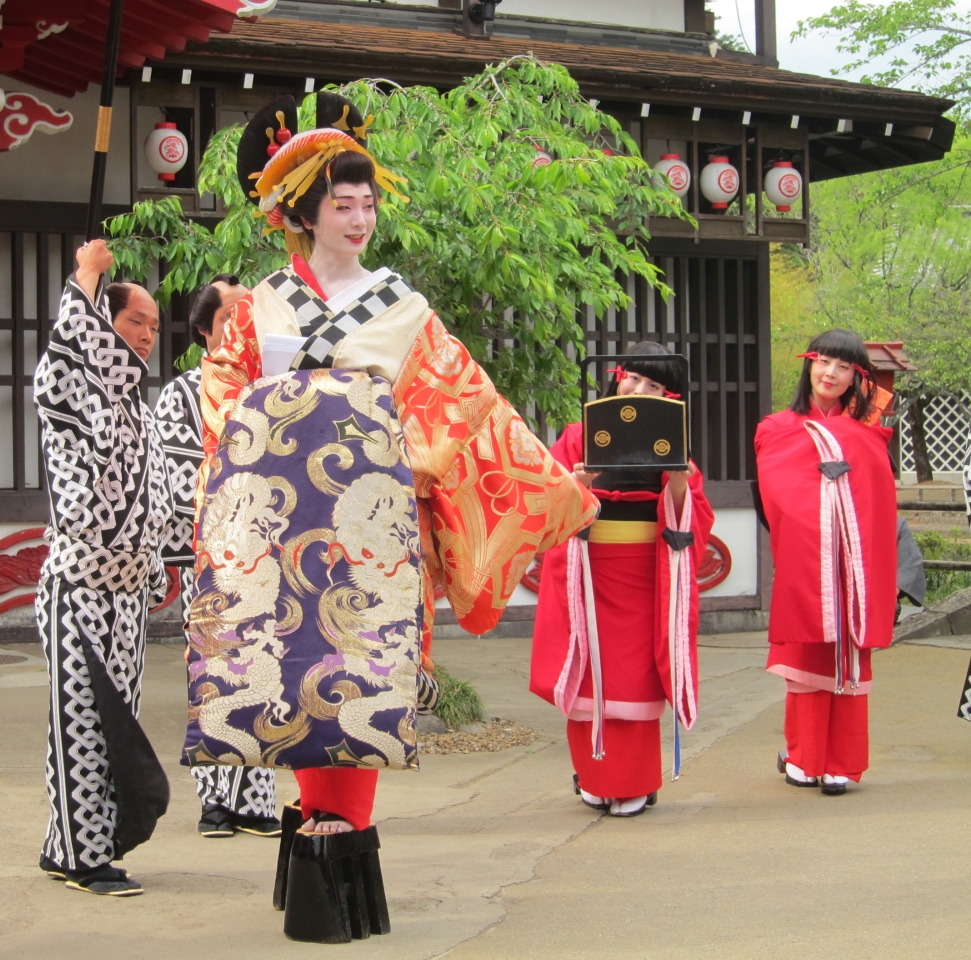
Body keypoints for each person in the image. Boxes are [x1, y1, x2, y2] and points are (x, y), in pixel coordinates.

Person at [186, 93, 597, 940]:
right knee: (284, 677)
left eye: (369, 202)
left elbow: (465, 412)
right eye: (343, 204)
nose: (361, 217)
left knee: (360, 681)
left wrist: (380, 444)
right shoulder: (256, 306)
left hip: (370, 535)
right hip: (275, 533)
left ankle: (335, 851)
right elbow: (221, 408)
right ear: (302, 212)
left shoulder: (405, 310)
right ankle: (318, 842)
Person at [33, 240, 173, 896]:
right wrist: (87, 276)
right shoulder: (72, 391)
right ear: (99, 322)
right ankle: (86, 859)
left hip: (127, 592)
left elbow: (160, 497)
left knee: (119, 717)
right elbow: (70, 345)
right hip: (78, 586)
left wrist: (161, 563)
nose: (145, 335)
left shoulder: (142, 413)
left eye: (151, 324)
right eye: (132, 321)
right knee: (85, 720)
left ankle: (73, 845)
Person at [530, 342, 714, 817]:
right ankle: (593, 777)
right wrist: (582, 482)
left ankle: (632, 782)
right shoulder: (577, 435)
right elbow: (543, 505)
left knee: (632, 676)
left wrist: (677, 481)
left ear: (669, 399)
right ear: (616, 376)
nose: (639, 390)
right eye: (633, 378)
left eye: (654, 385)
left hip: (642, 572)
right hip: (586, 566)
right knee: (588, 670)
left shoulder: (673, 443)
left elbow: (694, 519)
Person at [153, 275, 282, 840]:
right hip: (216, 554)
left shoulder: (273, 389)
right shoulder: (182, 394)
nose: (239, 326)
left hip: (271, 555)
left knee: (267, 673)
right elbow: (179, 478)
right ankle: (215, 801)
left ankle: (257, 797)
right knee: (213, 674)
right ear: (205, 329)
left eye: (247, 316)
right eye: (229, 316)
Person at [755, 329, 896, 795]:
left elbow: (878, 504)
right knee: (807, 653)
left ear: (858, 376)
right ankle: (803, 756)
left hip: (854, 564)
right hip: (807, 560)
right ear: (808, 364)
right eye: (823, 362)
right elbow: (779, 498)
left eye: (844, 367)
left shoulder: (868, 434)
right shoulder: (776, 427)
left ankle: (843, 761)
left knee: (850, 656)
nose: (830, 373)